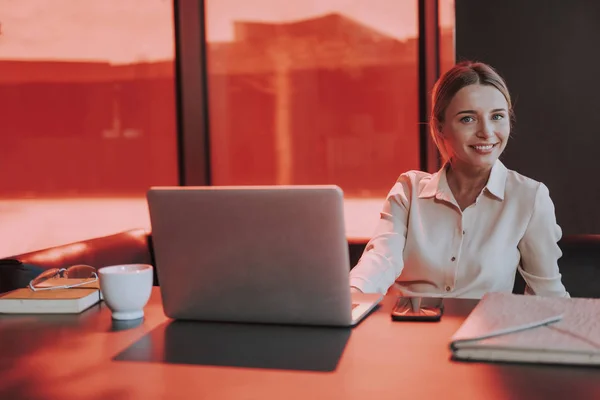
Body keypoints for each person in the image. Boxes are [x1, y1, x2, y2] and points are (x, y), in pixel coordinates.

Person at [349, 61, 569, 299]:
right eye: (468, 119)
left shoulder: (529, 197)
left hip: (483, 334)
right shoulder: (408, 190)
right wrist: (349, 295)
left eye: (497, 116)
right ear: (440, 127)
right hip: (406, 330)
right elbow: (379, 260)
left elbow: (547, 296)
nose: (486, 132)